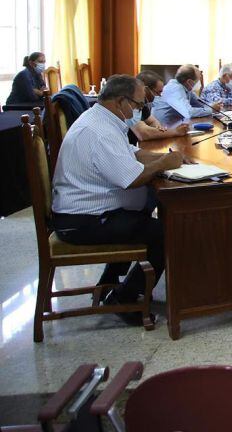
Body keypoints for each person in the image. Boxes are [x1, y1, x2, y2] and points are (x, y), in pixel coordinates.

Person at [50, 74, 183, 323]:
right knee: (166, 232)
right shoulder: (99, 131)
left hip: (87, 211)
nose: (140, 110)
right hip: (83, 221)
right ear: (121, 101)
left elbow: (130, 153)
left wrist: (162, 158)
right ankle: (125, 298)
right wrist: (164, 162)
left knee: (148, 206)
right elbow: (131, 179)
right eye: (138, 105)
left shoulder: (102, 119)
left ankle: (110, 282)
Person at [151, 64, 219, 126]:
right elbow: (189, 113)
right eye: (198, 80)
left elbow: (200, 103)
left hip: (175, 126)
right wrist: (211, 109)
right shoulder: (175, 88)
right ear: (189, 82)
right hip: (163, 129)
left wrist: (213, 106)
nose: (199, 83)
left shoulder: (186, 88)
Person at [128, 71, 188, 142]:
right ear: (145, 89)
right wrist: (176, 131)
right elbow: (143, 133)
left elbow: (152, 121)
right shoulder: (130, 104)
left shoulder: (143, 104)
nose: (160, 96)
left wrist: (158, 130)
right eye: (158, 92)